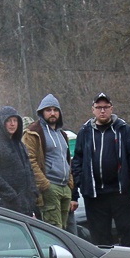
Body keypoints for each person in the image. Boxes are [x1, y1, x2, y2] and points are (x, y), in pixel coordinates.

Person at [71, 93, 130, 245]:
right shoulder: (85, 131)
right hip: (95, 196)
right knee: (100, 238)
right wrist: (81, 184)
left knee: (129, 233)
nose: (102, 111)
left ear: (111, 109)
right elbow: (77, 160)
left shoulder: (123, 129)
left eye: (105, 107)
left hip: (121, 193)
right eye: (99, 108)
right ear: (93, 110)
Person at [23, 94, 76, 229]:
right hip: (49, 188)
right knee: (54, 231)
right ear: (41, 112)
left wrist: (70, 183)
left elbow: (67, 160)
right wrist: (45, 185)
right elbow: (29, 160)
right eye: (48, 110)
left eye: (55, 110)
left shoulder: (62, 134)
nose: (52, 113)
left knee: (65, 233)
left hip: (64, 188)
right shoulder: (33, 132)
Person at [0, 107, 39, 216]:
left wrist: (33, 191)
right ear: (1, 122)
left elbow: (28, 169)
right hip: (4, 205)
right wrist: (11, 195)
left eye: (15, 120)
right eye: (8, 121)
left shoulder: (20, 144)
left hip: (25, 203)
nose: (12, 124)